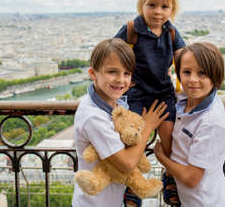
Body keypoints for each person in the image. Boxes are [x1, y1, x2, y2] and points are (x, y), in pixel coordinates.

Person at [114, 0, 186, 206]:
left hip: (162, 91)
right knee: (133, 137)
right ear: (141, 5)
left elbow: (183, 59)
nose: (158, 12)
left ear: (172, 9)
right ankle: (134, 182)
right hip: (137, 91)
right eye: (152, 5)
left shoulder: (171, 32)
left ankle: (170, 175)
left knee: (169, 136)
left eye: (164, 7)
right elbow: (112, 54)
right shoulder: (132, 29)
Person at [72, 38, 168, 207]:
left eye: (126, 74)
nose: (121, 80)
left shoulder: (112, 103)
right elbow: (127, 164)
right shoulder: (93, 116)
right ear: (93, 74)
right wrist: (147, 126)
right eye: (112, 72)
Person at [154, 43, 225, 207]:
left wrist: (162, 158)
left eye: (202, 73)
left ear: (215, 76)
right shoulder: (184, 102)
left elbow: (191, 178)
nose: (192, 80)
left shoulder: (212, 122)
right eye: (186, 72)